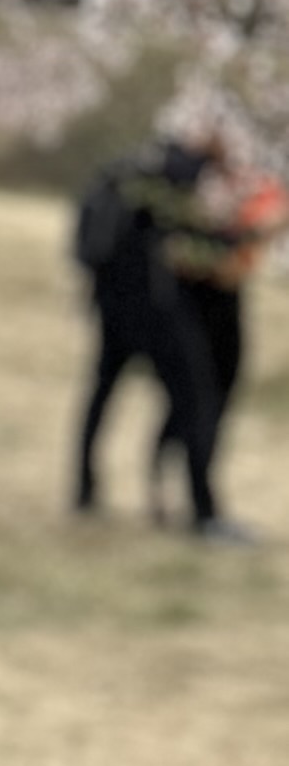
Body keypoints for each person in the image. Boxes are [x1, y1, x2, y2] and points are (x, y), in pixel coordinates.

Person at [72, 131, 241, 534]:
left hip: (110, 306)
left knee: (102, 394)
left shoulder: (132, 168)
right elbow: (200, 239)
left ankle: (82, 490)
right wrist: (242, 237)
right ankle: (204, 513)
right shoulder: (178, 177)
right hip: (156, 309)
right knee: (195, 399)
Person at [148, 149, 286, 534]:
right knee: (196, 400)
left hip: (224, 299)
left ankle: (191, 498)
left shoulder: (249, 178)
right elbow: (195, 241)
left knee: (211, 399)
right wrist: (253, 231)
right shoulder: (191, 175)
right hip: (193, 301)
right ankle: (197, 508)